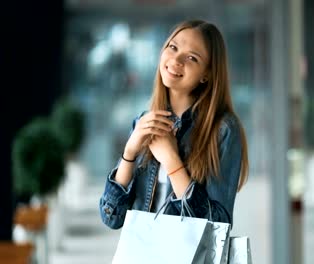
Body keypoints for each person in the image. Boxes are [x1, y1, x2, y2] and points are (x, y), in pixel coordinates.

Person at [99, 19, 249, 229]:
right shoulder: (144, 122)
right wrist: (130, 151)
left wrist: (171, 160)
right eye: (173, 47)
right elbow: (112, 217)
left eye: (192, 58)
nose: (176, 60)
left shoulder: (223, 130)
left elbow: (218, 225)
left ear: (207, 74)